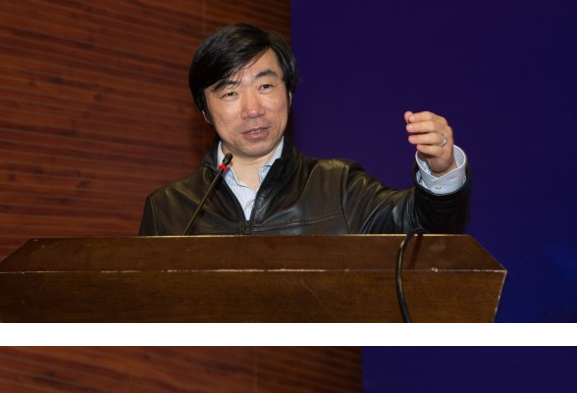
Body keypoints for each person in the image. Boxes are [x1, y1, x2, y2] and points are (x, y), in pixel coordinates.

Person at [138, 24, 471, 235]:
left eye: (265, 86)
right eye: (230, 93)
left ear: (289, 94)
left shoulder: (339, 186)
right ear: (205, 112)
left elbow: (426, 226)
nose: (252, 109)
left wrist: (441, 171)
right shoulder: (169, 209)